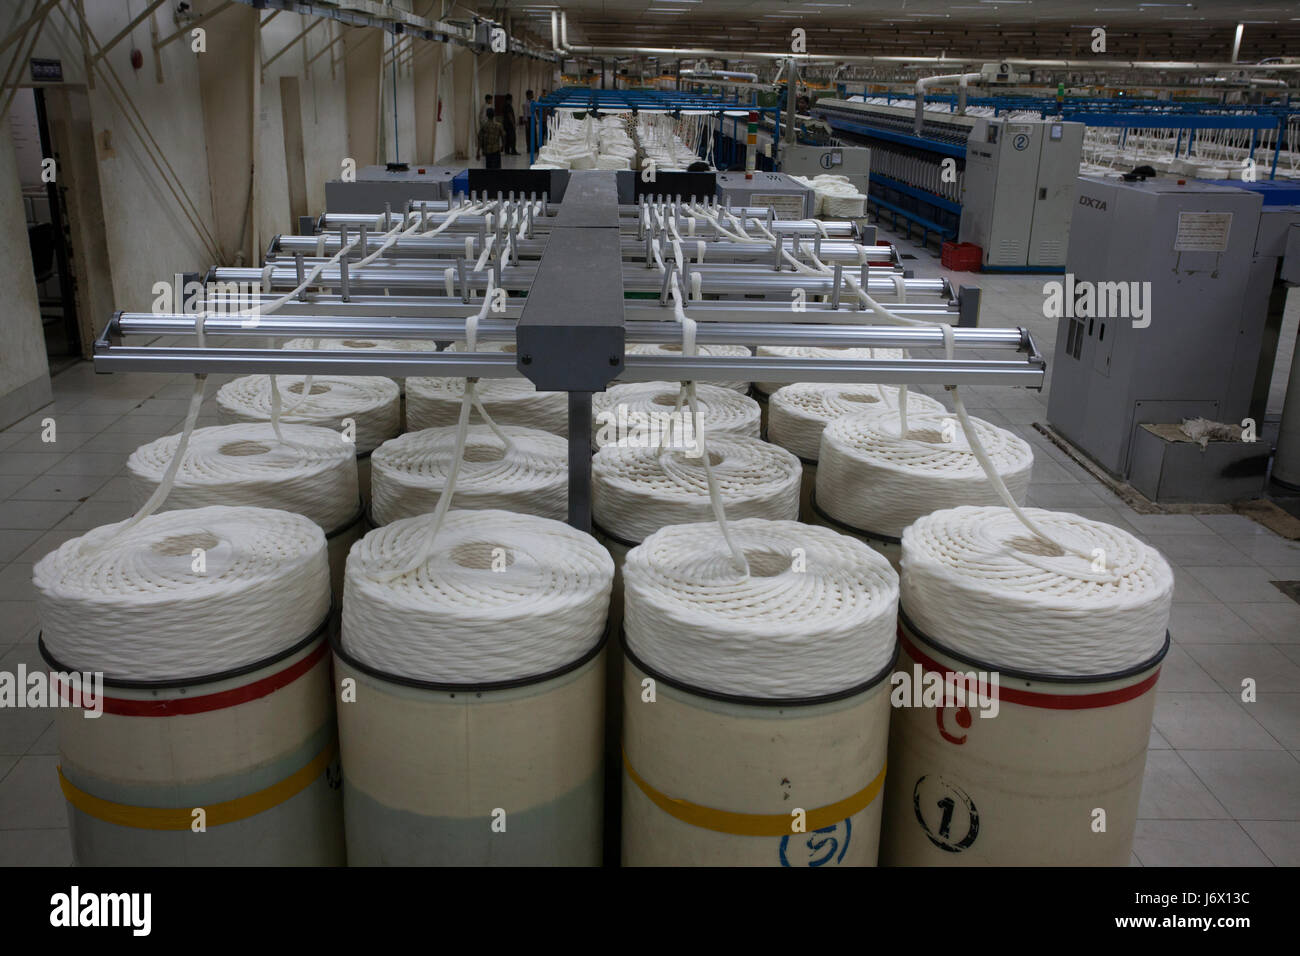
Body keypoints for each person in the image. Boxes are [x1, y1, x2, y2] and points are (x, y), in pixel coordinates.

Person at [523, 89, 535, 155]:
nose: (533, 95)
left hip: (533, 119)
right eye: (532, 94)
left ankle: (534, 147)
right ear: (528, 95)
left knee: (534, 134)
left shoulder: (533, 102)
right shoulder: (525, 104)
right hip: (528, 119)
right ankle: (529, 148)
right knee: (528, 135)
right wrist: (526, 123)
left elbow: (535, 111)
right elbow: (525, 114)